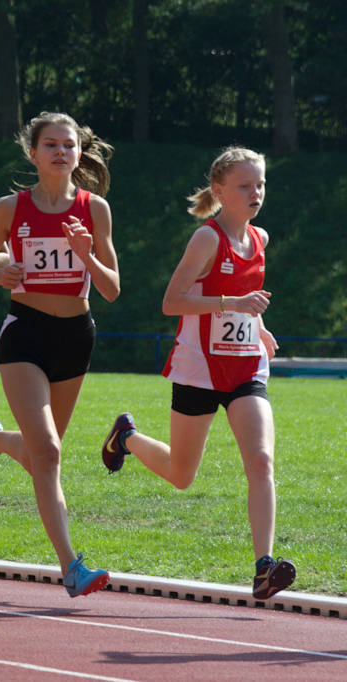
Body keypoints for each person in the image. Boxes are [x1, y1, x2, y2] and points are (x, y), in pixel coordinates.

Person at [101, 147, 296, 600]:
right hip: (199, 367)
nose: (256, 193)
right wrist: (232, 306)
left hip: (246, 364)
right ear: (220, 192)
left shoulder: (260, 238)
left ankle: (263, 565)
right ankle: (126, 436)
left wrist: (259, 326)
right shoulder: (207, 239)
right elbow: (172, 302)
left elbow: (246, 294)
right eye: (245, 186)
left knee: (262, 460)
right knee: (181, 474)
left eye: (261, 184)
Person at [0, 112, 120, 597]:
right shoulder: (11, 208)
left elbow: (113, 290)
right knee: (49, 452)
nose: (60, 152)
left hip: (76, 336)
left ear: (79, 153)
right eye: (50, 145)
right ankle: (71, 567)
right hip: (24, 336)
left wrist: (86, 252)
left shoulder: (95, 209)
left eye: (68, 145)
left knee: (40, 458)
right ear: (32, 153)